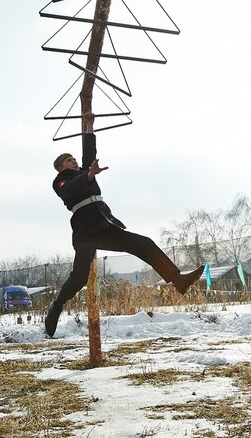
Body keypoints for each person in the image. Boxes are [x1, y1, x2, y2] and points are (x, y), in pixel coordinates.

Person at [45, 113, 204, 338]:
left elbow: (89, 153)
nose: (75, 161)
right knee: (79, 277)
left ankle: (178, 279)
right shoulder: (61, 181)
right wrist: (88, 176)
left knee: (143, 244)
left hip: (104, 225)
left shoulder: (83, 172)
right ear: (61, 168)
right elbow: (70, 191)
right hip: (85, 232)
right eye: (70, 160)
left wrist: (89, 127)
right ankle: (57, 306)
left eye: (74, 159)